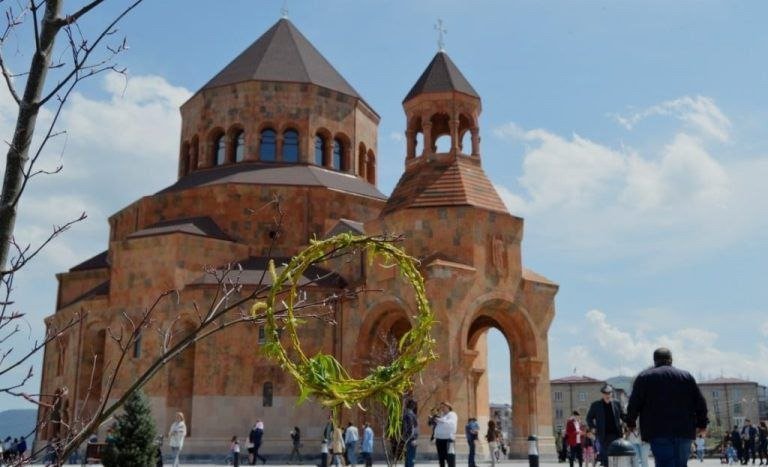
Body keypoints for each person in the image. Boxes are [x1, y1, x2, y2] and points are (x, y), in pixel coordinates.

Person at [625, 348, 709, 467]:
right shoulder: (686, 377)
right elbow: (700, 403)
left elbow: (633, 404)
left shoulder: (644, 377)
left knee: (664, 463)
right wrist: (702, 425)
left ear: (654, 361)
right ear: (671, 360)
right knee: (681, 464)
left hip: (657, 430)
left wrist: (631, 423)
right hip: (684, 430)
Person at [586, 384, 625, 467]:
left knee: (616, 456)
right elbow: (589, 418)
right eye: (605, 393)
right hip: (603, 436)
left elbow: (623, 416)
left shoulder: (617, 403)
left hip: (616, 435)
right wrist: (592, 427)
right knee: (606, 457)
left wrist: (629, 421)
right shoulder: (596, 405)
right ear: (602, 394)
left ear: (611, 394)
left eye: (609, 393)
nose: (607, 395)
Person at [432, 401, 458, 467]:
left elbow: (451, 423)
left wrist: (439, 420)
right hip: (439, 440)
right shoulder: (441, 415)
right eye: (441, 407)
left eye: (443, 407)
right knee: (441, 458)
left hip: (449, 440)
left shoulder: (452, 414)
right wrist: (433, 420)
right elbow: (436, 425)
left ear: (448, 407)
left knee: (450, 458)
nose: (442, 408)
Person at [403, 399, 419, 467]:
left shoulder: (407, 413)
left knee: (408, 459)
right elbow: (411, 427)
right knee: (410, 459)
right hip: (411, 439)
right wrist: (413, 438)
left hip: (409, 439)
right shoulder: (410, 414)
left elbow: (410, 427)